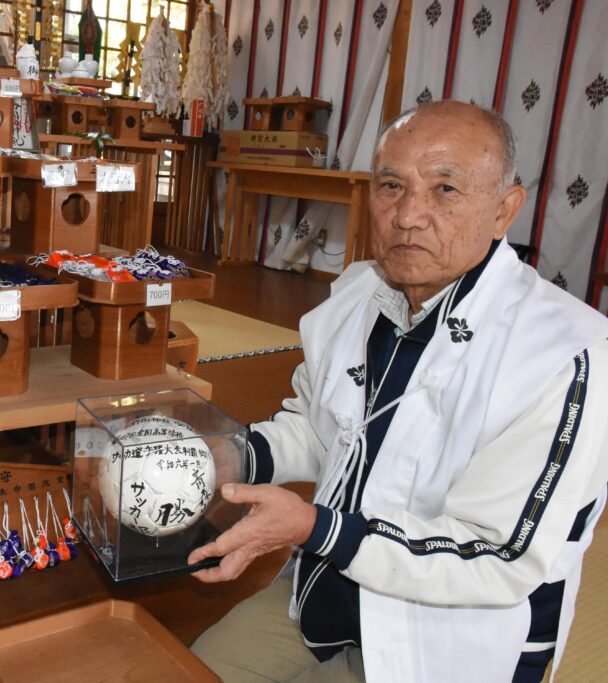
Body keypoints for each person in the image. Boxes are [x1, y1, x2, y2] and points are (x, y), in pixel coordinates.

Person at [188, 101, 608, 683]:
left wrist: (316, 529)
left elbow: (497, 557)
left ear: (504, 210)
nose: (409, 214)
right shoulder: (358, 296)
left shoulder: (564, 354)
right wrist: (235, 454)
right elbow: (320, 425)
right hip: (323, 593)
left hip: (446, 643)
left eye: (445, 190)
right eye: (392, 185)